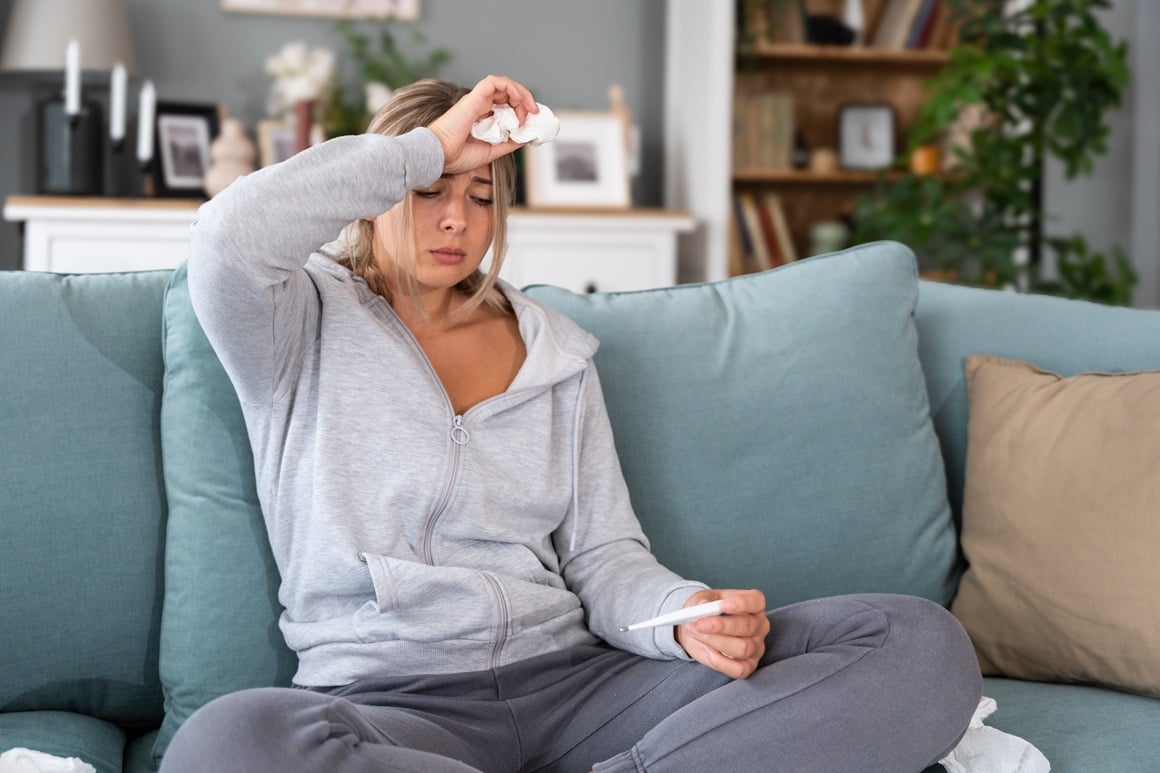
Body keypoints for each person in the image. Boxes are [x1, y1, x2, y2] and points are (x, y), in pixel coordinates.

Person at [161, 75, 981, 773]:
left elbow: (602, 555)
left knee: (914, 640)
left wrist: (684, 615)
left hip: (583, 691)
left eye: (481, 195)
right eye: (430, 190)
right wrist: (429, 148)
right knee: (228, 742)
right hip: (391, 709)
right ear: (377, 193)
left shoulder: (556, 354)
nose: (457, 219)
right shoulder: (296, 321)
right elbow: (227, 235)